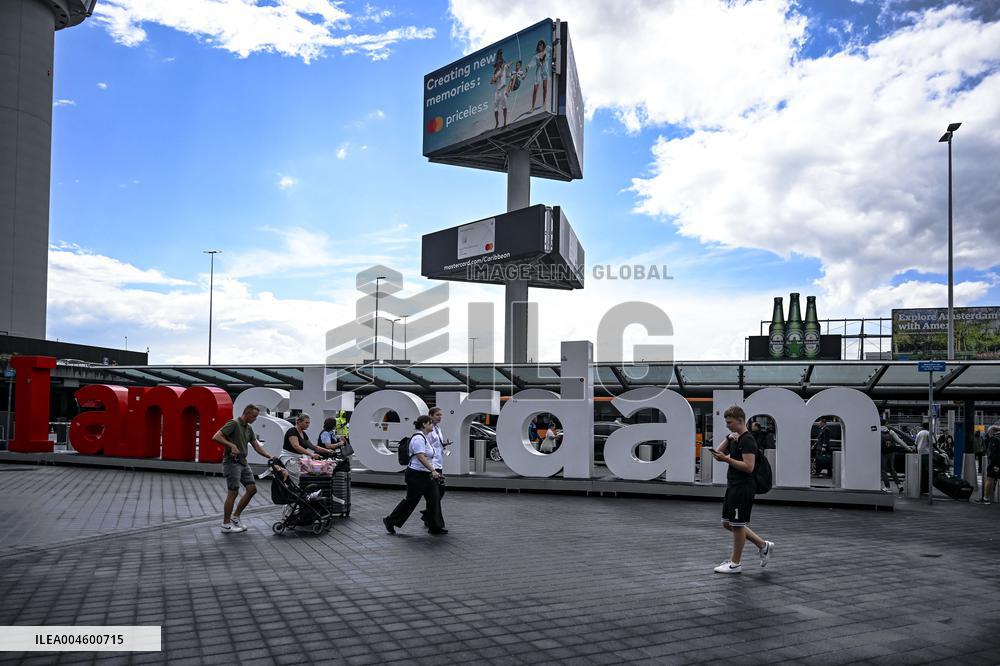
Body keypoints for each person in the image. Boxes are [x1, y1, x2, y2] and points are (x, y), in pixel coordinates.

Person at [710, 405, 773, 574]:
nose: (727, 425)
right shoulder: (736, 438)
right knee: (727, 523)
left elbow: (748, 467)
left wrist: (727, 460)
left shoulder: (747, 440)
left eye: (729, 422)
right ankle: (763, 545)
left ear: (740, 420)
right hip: (733, 485)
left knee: (737, 525)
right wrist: (728, 438)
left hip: (743, 486)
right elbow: (717, 453)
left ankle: (735, 563)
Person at [212, 404, 280, 533]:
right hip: (232, 462)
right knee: (233, 492)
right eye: (254, 416)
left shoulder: (248, 428)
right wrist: (231, 445)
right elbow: (216, 437)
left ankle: (235, 517)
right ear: (247, 413)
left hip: (243, 462)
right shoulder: (234, 423)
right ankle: (226, 524)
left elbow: (256, 446)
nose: (255, 419)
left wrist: (270, 456)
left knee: (252, 489)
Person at [383, 416, 446, 535]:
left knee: (434, 499)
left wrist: (432, 471)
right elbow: (420, 456)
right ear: (423, 425)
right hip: (416, 475)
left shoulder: (425, 438)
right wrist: (433, 470)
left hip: (426, 475)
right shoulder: (418, 438)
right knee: (411, 501)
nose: (432, 425)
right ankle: (390, 521)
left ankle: (435, 526)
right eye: (430, 423)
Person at [420, 407, 449, 530]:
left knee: (440, 492)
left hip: (439, 464)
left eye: (441, 415)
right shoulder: (429, 430)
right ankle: (433, 521)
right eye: (437, 415)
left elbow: (436, 444)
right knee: (435, 494)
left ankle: (428, 514)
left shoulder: (437, 428)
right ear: (430, 416)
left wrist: (444, 444)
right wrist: (432, 468)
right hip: (432, 465)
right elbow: (426, 446)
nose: (440, 417)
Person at [880, 421, 910, 494]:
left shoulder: (877, 431)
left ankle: (887, 487)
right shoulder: (891, 432)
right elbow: (899, 441)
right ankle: (899, 485)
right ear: (886, 423)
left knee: (883, 470)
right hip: (891, 452)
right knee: (892, 468)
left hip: (882, 453)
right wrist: (908, 448)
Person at [977, 426, 1000, 504]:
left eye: (989, 431)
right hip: (996, 463)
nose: (987, 433)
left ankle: (986, 498)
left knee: (989, 479)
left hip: (994, 463)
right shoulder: (996, 439)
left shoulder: (995, 440)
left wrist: (996, 465)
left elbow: (994, 454)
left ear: (992, 431)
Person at [491, 49, 509, 129]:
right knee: (495, 108)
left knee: (504, 107)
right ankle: (497, 122)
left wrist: (500, 54)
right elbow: (492, 82)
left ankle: (505, 122)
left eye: (500, 62)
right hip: (497, 91)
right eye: (498, 62)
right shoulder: (495, 72)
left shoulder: (504, 67)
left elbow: (506, 63)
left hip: (503, 89)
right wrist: (494, 79)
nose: (499, 63)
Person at [915, 422, 934, 494]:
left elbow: (915, 443)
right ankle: (926, 489)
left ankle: (921, 488)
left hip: (920, 454)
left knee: (921, 472)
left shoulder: (919, 433)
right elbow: (933, 443)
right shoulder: (928, 433)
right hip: (926, 454)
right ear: (928, 426)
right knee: (927, 472)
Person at [531, 39, 549, 110]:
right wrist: (528, 67)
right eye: (539, 45)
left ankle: (544, 102)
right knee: (535, 89)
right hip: (538, 72)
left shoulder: (546, 52)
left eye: (541, 45)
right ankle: (533, 106)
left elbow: (549, 48)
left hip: (545, 72)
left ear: (543, 46)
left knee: (545, 87)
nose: (540, 47)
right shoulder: (536, 56)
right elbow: (532, 63)